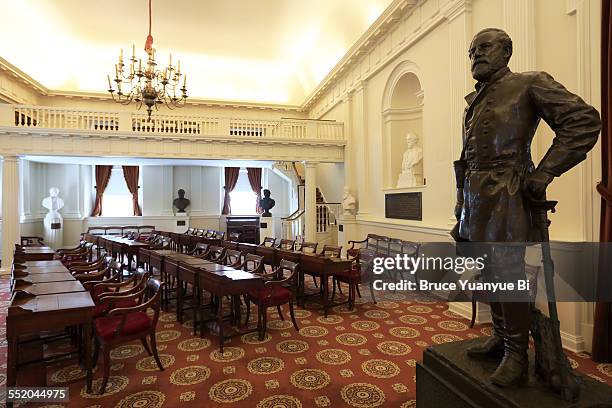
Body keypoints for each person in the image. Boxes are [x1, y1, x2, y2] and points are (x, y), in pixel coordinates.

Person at [452, 28, 600, 386]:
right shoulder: (472, 104)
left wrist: (546, 171)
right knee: (487, 274)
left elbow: (583, 121)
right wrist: (461, 206)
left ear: (506, 52)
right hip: (475, 200)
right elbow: (466, 162)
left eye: (484, 48)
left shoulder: (529, 83)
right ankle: (502, 338)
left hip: (508, 193)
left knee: (508, 274)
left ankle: (517, 353)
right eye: (472, 51)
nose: (476, 55)